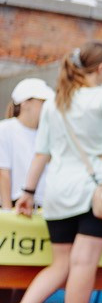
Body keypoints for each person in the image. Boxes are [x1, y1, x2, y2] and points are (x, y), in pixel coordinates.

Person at [5, 43, 102, 303]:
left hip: (56, 192)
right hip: (93, 191)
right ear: (101, 68)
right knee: (83, 263)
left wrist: (27, 192)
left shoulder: (55, 102)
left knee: (62, 261)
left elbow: (41, 153)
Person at [0, 76, 52, 212]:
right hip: (17, 208)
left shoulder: (47, 132)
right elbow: (3, 172)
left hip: (46, 208)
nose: (46, 107)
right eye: (42, 102)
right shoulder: (5, 129)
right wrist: (7, 210)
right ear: (25, 103)